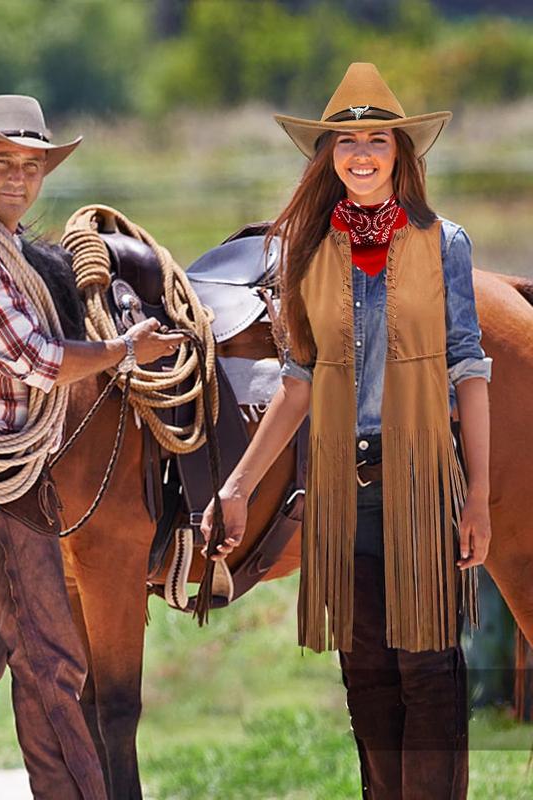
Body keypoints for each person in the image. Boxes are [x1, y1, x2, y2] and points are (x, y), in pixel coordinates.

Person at [201, 63, 492, 799]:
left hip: (422, 476)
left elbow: (468, 369)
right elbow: (298, 382)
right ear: (328, 155)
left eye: (377, 140)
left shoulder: (443, 243)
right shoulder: (310, 253)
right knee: (365, 675)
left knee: (426, 670)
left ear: (400, 153)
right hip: (338, 484)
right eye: (346, 142)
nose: (361, 154)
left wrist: (480, 493)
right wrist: (237, 487)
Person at [0, 94, 183, 800]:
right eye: (5, 163)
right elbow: (35, 359)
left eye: (33, 166)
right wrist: (124, 350)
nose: (21, 179)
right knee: (53, 666)